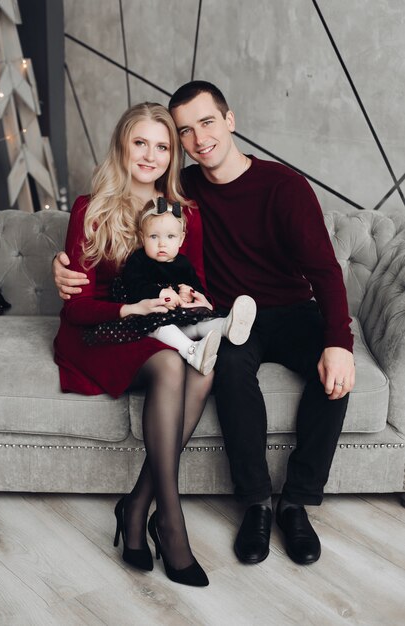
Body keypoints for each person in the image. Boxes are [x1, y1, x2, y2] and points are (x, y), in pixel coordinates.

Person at [53, 82, 356, 568]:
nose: (197, 139)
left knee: (331, 374)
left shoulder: (260, 190)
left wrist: (339, 341)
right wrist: (63, 267)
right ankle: (244, 506)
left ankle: (295, 504)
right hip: (176, 320)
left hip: (280, 311)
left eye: (205, 124)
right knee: (219, 365)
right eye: (184, 132)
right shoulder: (154, 197)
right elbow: (93, 274)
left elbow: (322, 270)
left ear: (230, 121)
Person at [54, 102, 216, 587]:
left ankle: (136, 508)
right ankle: (170, 524)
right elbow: (76, 307)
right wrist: (132, 310)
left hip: (159, 326)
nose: (150, 155)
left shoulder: (186, 215)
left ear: (173, 155)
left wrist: (192, 298)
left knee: (204, 367)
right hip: (101, 328)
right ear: (123, 146)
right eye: (140, 143)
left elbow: (197, 285)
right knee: (170, 366)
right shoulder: (91, 208)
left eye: (162, 146)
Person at [84, 196, 257, 376]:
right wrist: (159, 292)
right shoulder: (139, 260)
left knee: (199, 323)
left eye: (170, 236)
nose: (162, 243)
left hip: (179, 317)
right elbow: (135, 287)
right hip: (148, 321)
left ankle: (226, 326)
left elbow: (196, 286)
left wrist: (190, 293)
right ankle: (191, 351)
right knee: (163, 328)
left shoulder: (183, 263)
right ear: (143, 238)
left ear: (181, 240)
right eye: (154, 236)